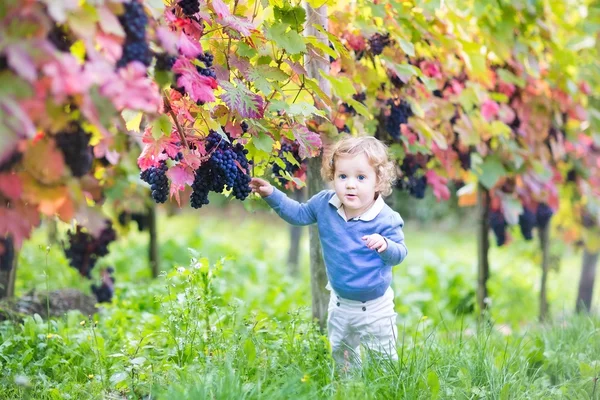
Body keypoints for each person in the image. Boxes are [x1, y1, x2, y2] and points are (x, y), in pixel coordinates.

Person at [250, 136, 408, 370]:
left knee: (383, 359)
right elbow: (299, 214)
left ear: (378, 181)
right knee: (342, 355)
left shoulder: (386, 218)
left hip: (375, 306)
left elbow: (400, 253)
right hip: (341, 303)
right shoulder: (325, 204)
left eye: (361, 177)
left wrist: (385, 245)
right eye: (343, 176)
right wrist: (272, 194)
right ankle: (347, 390)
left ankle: (383, 390)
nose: (350, 184)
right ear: (332, 177)